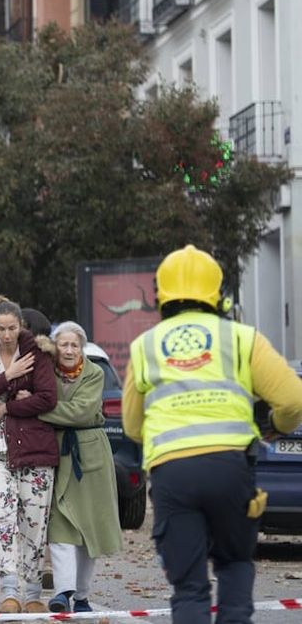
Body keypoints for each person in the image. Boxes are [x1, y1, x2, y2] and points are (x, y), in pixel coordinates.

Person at [123, 245, 302, 624]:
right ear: (217, 293)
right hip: (230, 469)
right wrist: (277, 425)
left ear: (160, 295)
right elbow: (293, 399)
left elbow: (133, 426)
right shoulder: (242, 338)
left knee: (189, 589)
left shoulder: (145, 347)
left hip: (173, 474)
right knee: (235, 564)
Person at [0, 295, 58, 614]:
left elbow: (48, 399)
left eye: (12, 328)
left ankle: (33, 593)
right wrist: (7, 377)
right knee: (0, 519)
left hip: (35, 448)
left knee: (34, 523)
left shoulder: (38, 355)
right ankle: (9, 591)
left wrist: (7, 406)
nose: (7, 335)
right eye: (1, 329)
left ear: (21, 326)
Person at [40, 321, 121, 613]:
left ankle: (82, 596)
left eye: (75, 345)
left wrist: (39, 410)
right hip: (58, 455)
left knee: (89, 529)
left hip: (92, 458)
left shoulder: (95, 373)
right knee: (60, 525)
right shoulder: (45, 373)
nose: (70, 350)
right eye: (64, 344)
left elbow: (81, 412)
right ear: (55, 347)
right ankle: (63, 591)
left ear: (82, 348)